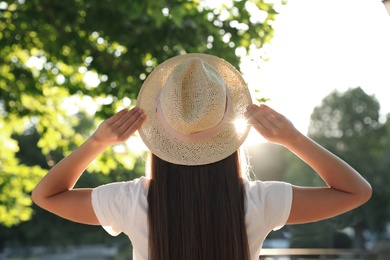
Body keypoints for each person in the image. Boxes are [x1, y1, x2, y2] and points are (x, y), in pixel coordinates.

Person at [32, 53, 372, 260]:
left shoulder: (130, 199)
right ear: (230, 135)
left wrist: (96, 143)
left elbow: (46, 195)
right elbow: (355, 191)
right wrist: (293, 138)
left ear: (158, 135)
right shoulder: (259, 200)